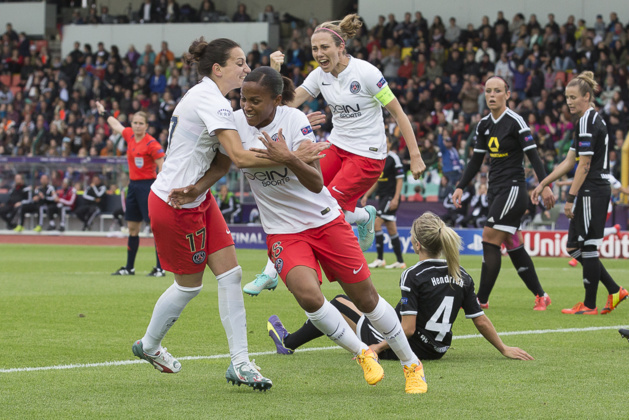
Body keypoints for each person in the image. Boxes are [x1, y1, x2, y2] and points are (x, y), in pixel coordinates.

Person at [169, 66, 428, 394]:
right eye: (242, 99)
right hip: (282, 231)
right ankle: (362, 353)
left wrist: (289, 158)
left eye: (255, 101)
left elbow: (317, 181)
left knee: (366, 298)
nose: (246, 106)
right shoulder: (234, 123)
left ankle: (411, 364)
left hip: (324, 220)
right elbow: (225, 163)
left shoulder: (293, 121)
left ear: (276, 101)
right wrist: (196, 188)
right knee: (308, 296)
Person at [129, 37, 311, 391]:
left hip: (196, 197)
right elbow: (241, 158)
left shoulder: (215, 100)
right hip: (174, 203)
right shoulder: (210, 100)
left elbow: (225, 160)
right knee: (189, 287)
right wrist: (293, 158)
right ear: (218, 68)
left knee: (232, 276)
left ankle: (241, 364)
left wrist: (200, 188)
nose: (246, 68)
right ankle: (149, 345)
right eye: (240, 63)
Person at [246, 13, 426, 296]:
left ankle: (271, 273)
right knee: (302, 192)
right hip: (336, 146)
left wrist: (414, 155)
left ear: (341, 47)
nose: (319, 54)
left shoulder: (366, 73)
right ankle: (363, 217)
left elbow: (398, 113)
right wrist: (273, 70)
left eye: (324, 48)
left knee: (325, 206)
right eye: (315, 49)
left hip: (367, 155)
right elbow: (286, 103)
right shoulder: (320, 76)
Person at [266, 212, 533, 362]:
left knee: (336, 302)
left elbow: (407, 329)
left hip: (403, 347)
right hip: (437, 351)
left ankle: (287, 342)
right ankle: (290, 341)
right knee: (353, 304)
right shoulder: (460, 273)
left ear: (416, 244)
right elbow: (480, 320)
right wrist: (503, 348)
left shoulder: (412, 274)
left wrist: (376, 349)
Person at [452, 76, 555, 311]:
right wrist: (460, 185)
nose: (491, 95)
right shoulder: (483, 125)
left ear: (507, 94)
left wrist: (546, 183)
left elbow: (534, 156)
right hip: (495, 190)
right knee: (512, 242)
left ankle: (480, 300)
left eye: (497, 91)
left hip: (513, 189)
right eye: (488, 91)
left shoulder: (516, 121)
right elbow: (476, 160)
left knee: (489, 237)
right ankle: (541, 295)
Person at [531, 71, 627, 315]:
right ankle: (615, 290)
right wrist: (543, 183)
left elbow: (583, 165)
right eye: (566, 97)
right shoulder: (589, 120)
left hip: (591, 190)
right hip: (593, 189)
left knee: (588, 246)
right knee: (575, 247)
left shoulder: (587, 121)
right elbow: (568, 162)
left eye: (573, 97)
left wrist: (570, 199)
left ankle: (590, 304)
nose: (569, 102)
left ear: (587, 96)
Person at [96, 101, 166, 277]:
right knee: (132, 228)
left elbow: (162, 165)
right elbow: (116, 124)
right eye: (134, 122)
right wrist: (104, 112)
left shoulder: (152, 144)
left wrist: (160, 186)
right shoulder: (129, 136)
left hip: (148, 186)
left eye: (140, 123)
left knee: (154, 228)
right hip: (133, 186)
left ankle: (160, 268)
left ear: (146, 126)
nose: (137, 125)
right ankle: (129, 267)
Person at [361, 136, 406, 269]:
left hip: (390, 197)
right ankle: (400, 261)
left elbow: (400, 179)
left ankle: (380, 259)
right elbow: (376, 181)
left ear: (391, 144)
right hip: (382, 197)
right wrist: (366, 195)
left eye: (386, 142)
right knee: (391, 228)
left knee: (376, 223)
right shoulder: (380, 158)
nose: (383, 144)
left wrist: (396, 198)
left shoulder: (393, 158)